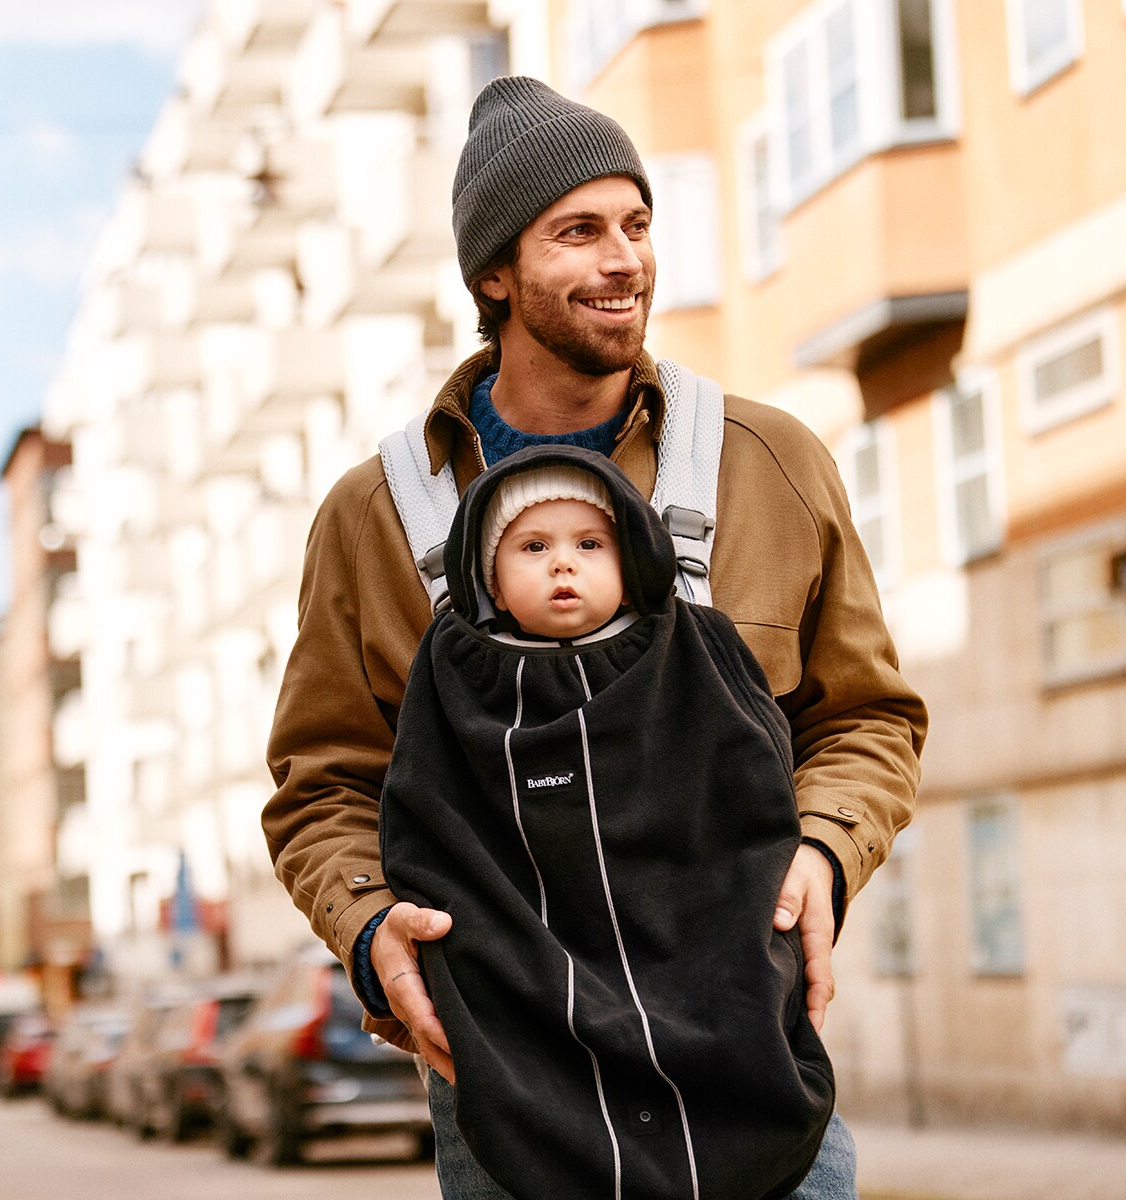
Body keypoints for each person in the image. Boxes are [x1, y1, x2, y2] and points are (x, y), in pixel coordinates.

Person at [263, 75, 928, 1199]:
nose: (625, 260)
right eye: (578, 233)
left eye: (637, 224)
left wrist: (823, 851)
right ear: (495, 275)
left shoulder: (770, 464)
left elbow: (866, 718)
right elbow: (323, 784)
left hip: (748, 1066)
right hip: (509, 1092)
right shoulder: (379, 517)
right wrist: (370, 927)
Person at [379, 444, 837, 1200]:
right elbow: (423, 827)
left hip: (719, 1001)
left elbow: (755, 801)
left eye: (590, 544)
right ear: (487, 574)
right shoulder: (454, 676)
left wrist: (813, 862)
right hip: (528, 1040)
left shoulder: (695, 645)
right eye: (533, 546)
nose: (565, 566)